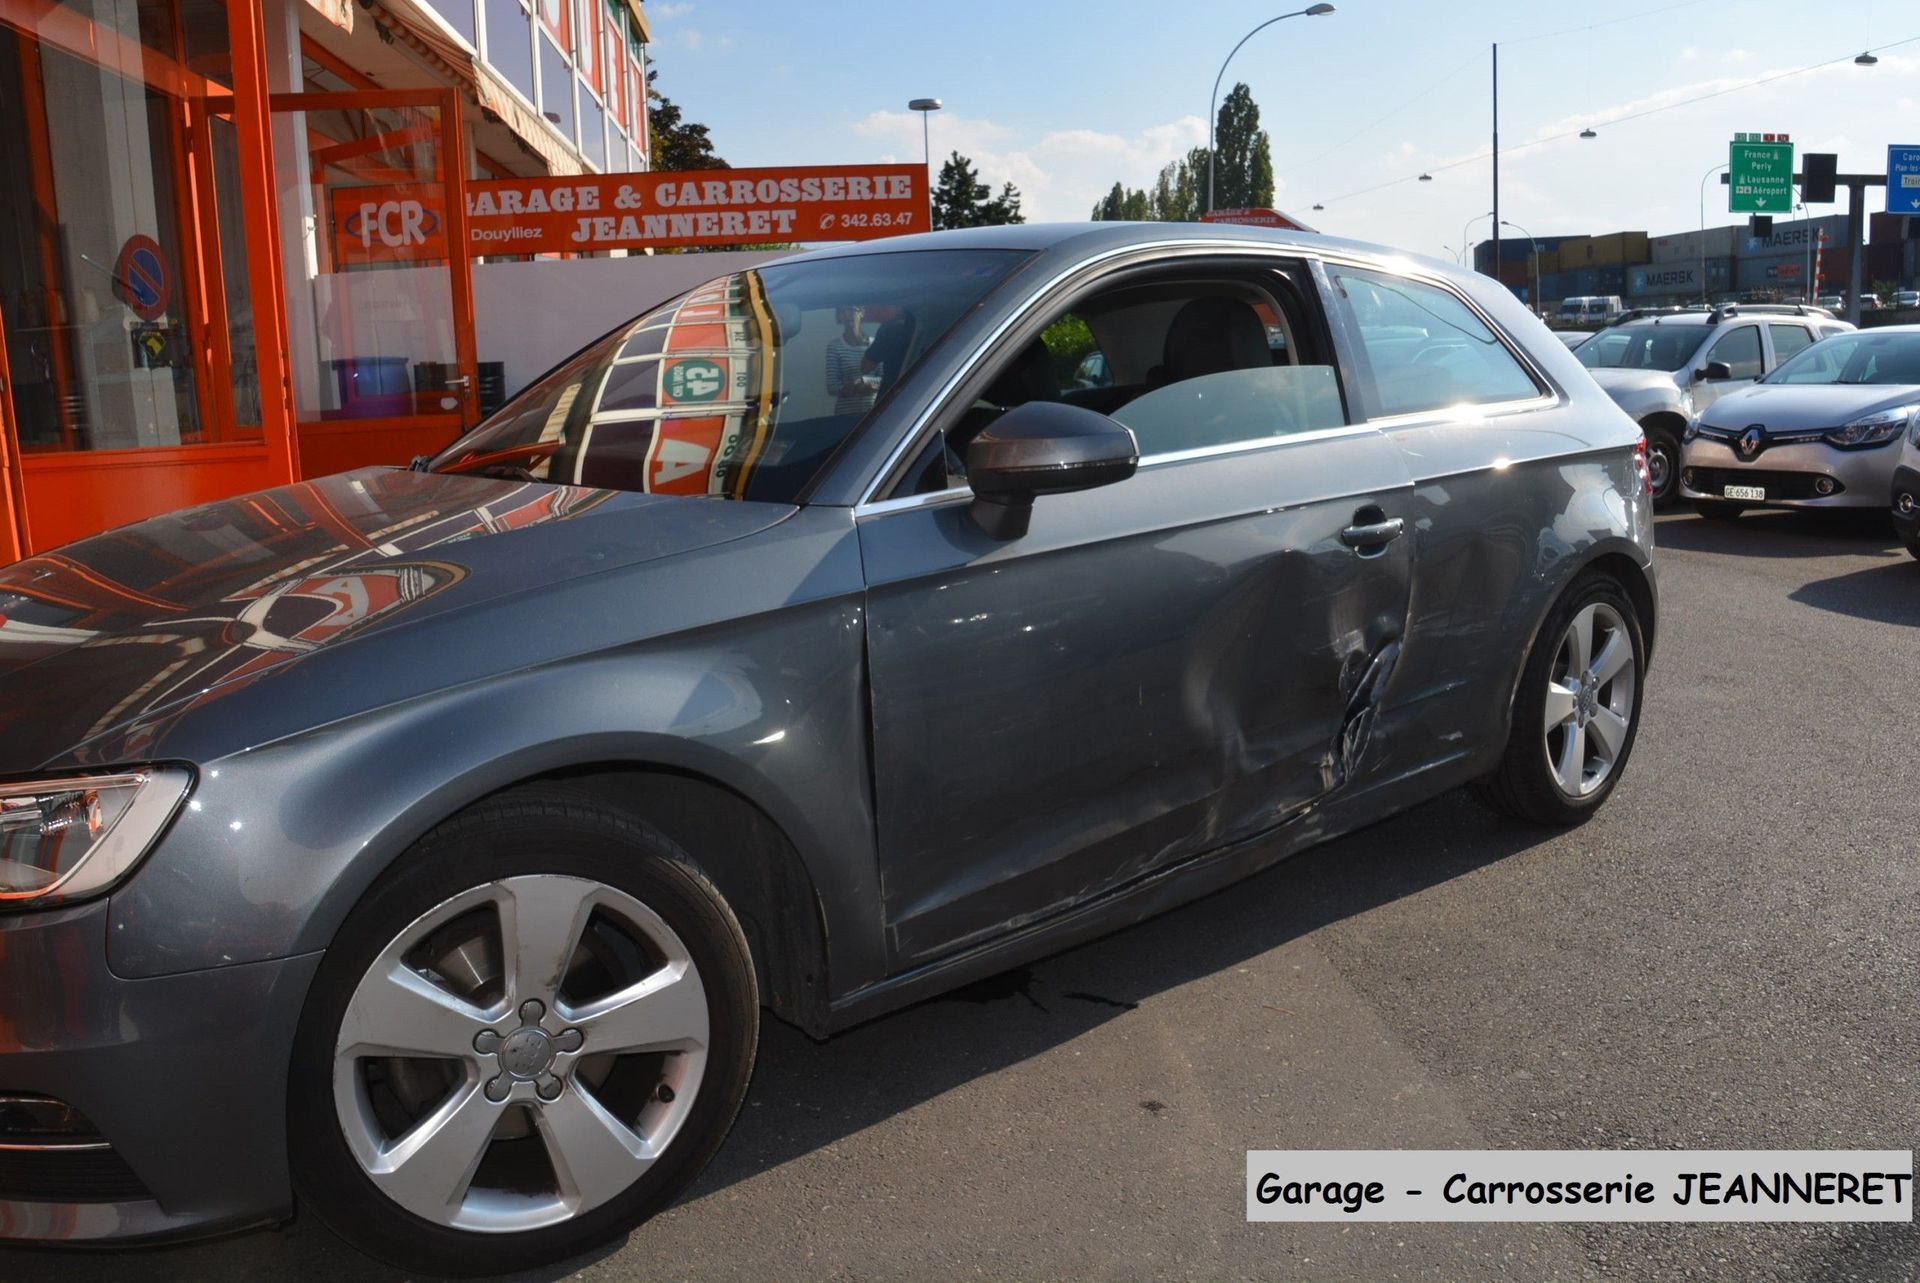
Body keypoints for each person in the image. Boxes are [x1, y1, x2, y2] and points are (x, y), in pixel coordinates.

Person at [825, 305, 875, 416]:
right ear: (840, 317)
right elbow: (832, 387)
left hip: (873, 414)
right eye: (843, 311)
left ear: (861, 313)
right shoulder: (835, 347)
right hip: (846, 416)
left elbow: (886, 379)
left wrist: (864, 383)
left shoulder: (875, 345)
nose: (848, 315)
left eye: (852, 310)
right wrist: (855, 388)